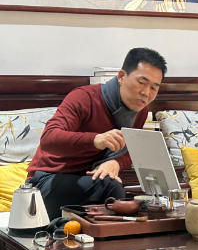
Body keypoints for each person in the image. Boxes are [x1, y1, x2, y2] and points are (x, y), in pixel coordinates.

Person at [27, 47, 167, 219]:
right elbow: (49, 139)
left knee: (141, 199)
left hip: (88, 179)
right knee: (111, 189)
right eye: (141, 82)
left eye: (154, 87)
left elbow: (131, 148)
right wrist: (96, 140)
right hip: (47, 180)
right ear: (121, 76)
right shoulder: (84, 97)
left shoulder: (140, 110)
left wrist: (115, 162)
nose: (146, 93)